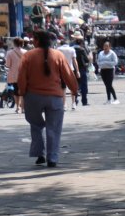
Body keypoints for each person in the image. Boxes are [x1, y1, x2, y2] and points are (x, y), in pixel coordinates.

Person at [16, 30, 78, 167]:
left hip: (33, 97)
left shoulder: (28, 56)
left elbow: (21, 77)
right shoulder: (58, 55)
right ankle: (52, 158)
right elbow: (68, 75)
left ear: (37, 41)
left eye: (33, 39)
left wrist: (22, 91)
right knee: (54, 128)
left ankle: (40, 154)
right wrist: (74, 89)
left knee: (36, 125)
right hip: (55, 97)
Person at [4, 37, 26, 113]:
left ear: (14, 43)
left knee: (16, 91)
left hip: (14, 75)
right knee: (23, 91)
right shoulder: (26, 52)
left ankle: (18, 107)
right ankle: (23, 107)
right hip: (24, 75)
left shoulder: (9, 53)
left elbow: (8, 65)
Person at [56, 38, 79, 108]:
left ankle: (64, 104)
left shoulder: (58, 49)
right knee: (72, 86)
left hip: (61, 69)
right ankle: (73, 103)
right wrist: (77, 70)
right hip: (71, 69)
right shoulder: (72, 49)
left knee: (63, 87)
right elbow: (74, 61)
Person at [72, 36, 91, 106]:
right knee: (84, 86)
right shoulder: (82, 50)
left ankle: (75, 100)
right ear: (81, 43)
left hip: (73, 69)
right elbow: (86, 59)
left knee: (75, 85)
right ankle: (84, 101)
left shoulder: (72, 49)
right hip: (82, 69)